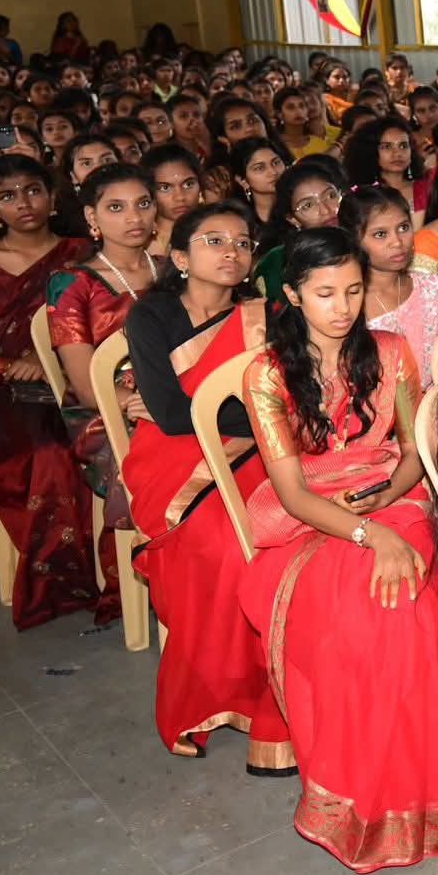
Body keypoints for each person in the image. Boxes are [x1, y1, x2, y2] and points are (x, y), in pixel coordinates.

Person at [238, 227, 438, 872]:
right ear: (293, 295)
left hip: (395, 498)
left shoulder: (392, 352)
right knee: (371, 613)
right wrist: (368, 533)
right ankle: (371, 798)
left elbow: (414, 450)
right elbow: (292, 493)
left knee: (401, 609)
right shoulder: (267, 374)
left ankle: (410, 794)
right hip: (315, 520)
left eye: (353, 290)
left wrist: (386, 505)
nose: (343, 307)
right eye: (325, 293)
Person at [122, 201, 288, 768]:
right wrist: (256, 414)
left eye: (242, 243)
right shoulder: (152, 316)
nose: (231, 252)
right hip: (175, 462)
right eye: (214, 241)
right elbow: (172, 417)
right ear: (179, 257)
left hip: (261, 452)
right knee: (225, 547)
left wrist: (257, 416)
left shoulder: (267, 315)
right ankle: (229, 694)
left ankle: (292, 685)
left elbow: (291, 399)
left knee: (291, 534)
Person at [0, 154, 97, 629]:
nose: (23, 203)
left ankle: (118, 566)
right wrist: (17, 367)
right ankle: (67, 580)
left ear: (52, 198)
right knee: (52, 450)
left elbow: (104, 323)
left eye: (33, 190)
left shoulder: (82, 251)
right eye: (8, 196)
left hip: (81, 376)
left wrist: (56, 361)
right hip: (10, 390)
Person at [47, 164, 159, 616]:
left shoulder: (174, 269)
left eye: (143, 204)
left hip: (175, 398)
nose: (134, 217)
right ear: (92, 217)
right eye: (116, 207)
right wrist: (149, 406)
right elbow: (87, 385)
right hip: (106, 412)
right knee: (169, 450)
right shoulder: (72, 284)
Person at [341, 185, 438, 391]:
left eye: (403, 228)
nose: (397, 242)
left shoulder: (429, 286)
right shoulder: (349, 305)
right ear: (354, 240)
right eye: (380, 234)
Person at [253, 155, 345, 299]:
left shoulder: (367, 239)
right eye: (308, 205)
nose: (326, 210)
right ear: (292, 219)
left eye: (331, 195)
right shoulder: (277, 262)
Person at [343, 115, 421, 215]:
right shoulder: (361, 195)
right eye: (387, 147)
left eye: (403, 146)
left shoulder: (426, 188)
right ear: (370, 151)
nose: (397, 153)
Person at [228, 136, 292, 251]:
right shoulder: (238, 222)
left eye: (276, 162)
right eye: (259, 168)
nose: (273, 172)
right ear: (242, 181)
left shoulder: (297, 208)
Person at [142, 143, 204, 257]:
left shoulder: (214, 235)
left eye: (188, 184)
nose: (180, 197)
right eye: (165, 188)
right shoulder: (137, 242)